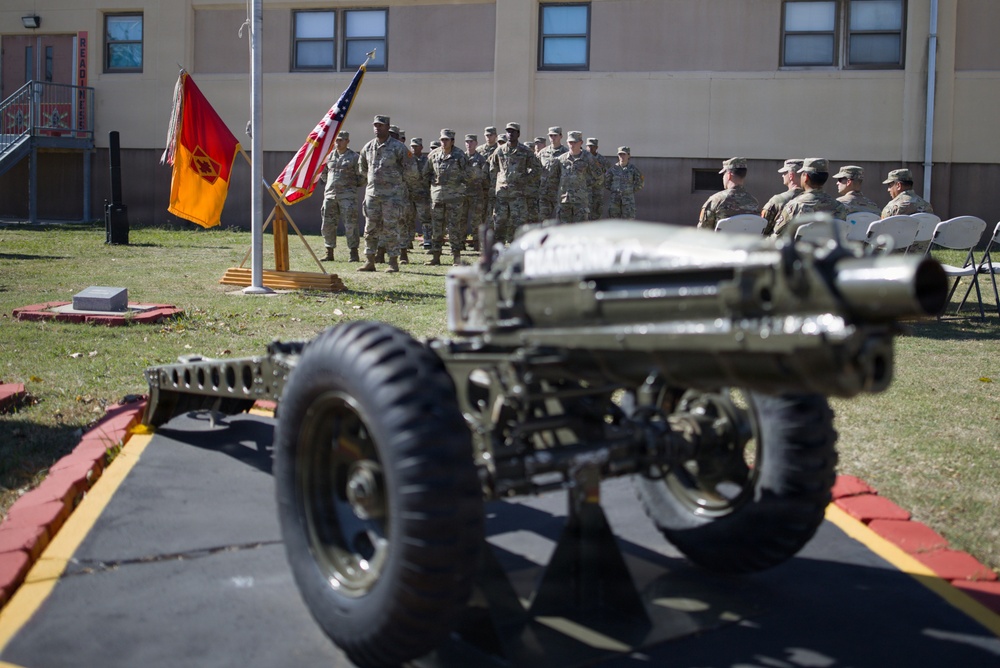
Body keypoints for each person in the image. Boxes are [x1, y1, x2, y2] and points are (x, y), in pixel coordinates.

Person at [356, 114, 420, 273]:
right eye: (375, 125)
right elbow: (362, 168)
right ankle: (369, 261)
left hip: (392, 197)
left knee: (391, 228)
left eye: (381, 125)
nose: (377, 128)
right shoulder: (368, 147)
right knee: (370, 227)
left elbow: (412, 170)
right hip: (372, 195)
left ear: (388, 127)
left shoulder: (399, 147)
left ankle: (393, 261)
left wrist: (397, 183)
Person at [488, 122, 541, 244]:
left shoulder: (525, 151)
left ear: (518, 134)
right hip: (502, 195)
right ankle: (498, 250)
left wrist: (525, 180)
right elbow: (492, 168)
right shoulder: (499, 151)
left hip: (518, 195)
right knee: (499, 222)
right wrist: (498, 182)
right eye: (508, 131)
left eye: (513, 131)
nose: (510, 134)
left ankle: (517, 248)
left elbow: (537, 169)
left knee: (518, 223)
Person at [424, 129, 471, 266]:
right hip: (438, 196)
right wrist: (432, 187)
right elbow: (426, 173)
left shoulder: (459, 155)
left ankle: (456, 257)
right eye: (442, 139)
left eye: (447, 140)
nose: (444, 142)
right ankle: (436, 257)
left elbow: (468, 174)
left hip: (455, 198)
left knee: (454, 228)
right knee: (437, 227)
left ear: (452, 141)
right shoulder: (434, 155)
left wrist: (460, 188)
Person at [318, 130, 365, 262]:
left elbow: (361, 177)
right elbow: (324, 173)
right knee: (328, 224)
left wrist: (349, 187)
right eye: (337, 140)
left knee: (350, 225)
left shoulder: (354, 157)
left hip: (347, 197)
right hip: (330, 196)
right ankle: (329, 251)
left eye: (341, 140)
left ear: (347, 141)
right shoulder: (329, 156)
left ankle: (353, 252)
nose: (338, 143)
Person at [772, 157, 849, 237]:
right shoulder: (839, 207)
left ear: (806, 177)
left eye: (802, 174)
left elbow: (778, 235)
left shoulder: (795, 205)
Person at [697, 157, 760, 230]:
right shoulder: (754, 202)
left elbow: (703, 231)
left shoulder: (715, 200)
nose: (723, 178)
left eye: (724, 174)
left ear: (729, 175)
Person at [554, 130, 600, 223]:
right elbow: (554, 179)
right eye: (570, 142)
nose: (572, 145)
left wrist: (585, 187)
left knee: (580, 232)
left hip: (580, 202)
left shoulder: (589, 158)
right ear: (567, 142)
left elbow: (599, 177)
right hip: (564, 202)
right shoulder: (561, 159)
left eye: (575, 142)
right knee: (563, 231)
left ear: (581, 143)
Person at [761, 159, 803, 236]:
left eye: (784, 173)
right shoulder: (812, 199)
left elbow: (762, 227)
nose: (782, 175)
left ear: (791, 176)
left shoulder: (778, 200)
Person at [537, 126, 568, 220]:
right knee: (542, 220)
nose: (553, 138)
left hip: (559, 194)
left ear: (561, 136)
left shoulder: (565, 153)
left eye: (555, 135)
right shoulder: (543, 153)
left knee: (560, 221)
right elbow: (536, 169)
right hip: (544, 194)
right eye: (551, 136)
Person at [465, 133, 489, 252]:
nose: (469, 144)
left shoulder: (481, 159)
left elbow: (484, 176)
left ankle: (476, 242)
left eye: (471, 142)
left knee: (476, 219)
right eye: (467, 142)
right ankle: (460, 242)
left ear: (476, 144)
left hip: (476, 193)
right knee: (460, 218)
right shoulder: (461, 157)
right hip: (463, 193)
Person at [605, 146, 644, 219]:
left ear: (629, 155)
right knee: (613, 223)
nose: (622, 156)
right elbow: (606, 182)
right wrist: (614, 189)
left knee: (628, 223)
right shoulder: (613, 169)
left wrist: (630, 190)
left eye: (624, 154)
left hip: (628, 201)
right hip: (615, 201)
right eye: (620, 154)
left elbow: (640, 182)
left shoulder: (633, 169)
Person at [410, 137, 431, 253]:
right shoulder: (407, 160)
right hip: (409, 193)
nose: (413, 149)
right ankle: (407, 241)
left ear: (421, 147)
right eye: (412, 146)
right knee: (408, 218)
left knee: (425, 219)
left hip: (422, 194)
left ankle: (427, 239)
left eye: (416, 146)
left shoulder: (426, 160)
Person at [586, 137, 612, 220]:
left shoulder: (602, 159)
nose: (590, 148)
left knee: (597, 209)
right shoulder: (583, 158)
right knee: (586, 209)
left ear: (596, 147)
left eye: (592, 146)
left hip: (598, 188)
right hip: (586, 188)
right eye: (589, 146)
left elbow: (608, 171)